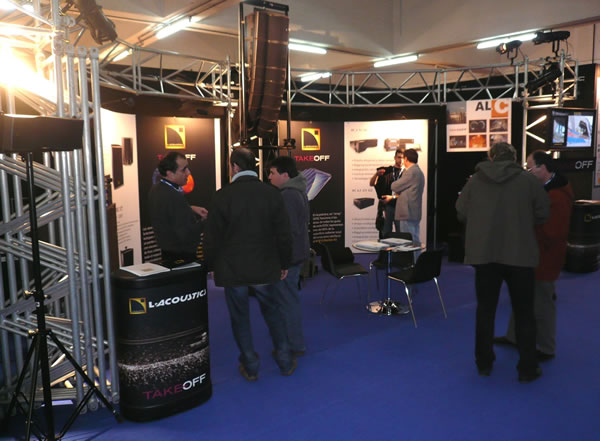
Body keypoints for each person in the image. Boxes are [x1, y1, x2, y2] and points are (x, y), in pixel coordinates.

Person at [456, 142, 550, 383]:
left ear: (491, 157)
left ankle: (484, 363)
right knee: (525, 313)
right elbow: (543, 213)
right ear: (514, 158)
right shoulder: (528, 181)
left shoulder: (475, 181)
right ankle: (527, 368)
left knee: (485, 311)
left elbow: (461, 211)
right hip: (520, 255)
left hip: (485, 256)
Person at [203, 147, 296, 381]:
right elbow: (284, 234)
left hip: (233, 270)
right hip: (265, 266)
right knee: (273, 313)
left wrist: (211, 266)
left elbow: (211, 237)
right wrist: (284, 263)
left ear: (234, 167)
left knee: (239, 317)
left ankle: (251, 364)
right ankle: (285, 359)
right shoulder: (272, 193)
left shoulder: (221, 196)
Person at [494, 150, 573, 361]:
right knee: (521, 297)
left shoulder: (556, 196)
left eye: (530, 168)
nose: (527, 172)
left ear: (543, 168)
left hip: (544, 260)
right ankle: (513, 336)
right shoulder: (547, 190)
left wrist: (526, 224)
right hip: (532, 256)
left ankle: (547, 348)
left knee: (543, 304)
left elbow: (553, 233)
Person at [268, 156, 310, 356]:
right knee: (287, 300)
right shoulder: (297, 191)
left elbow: (288, 231)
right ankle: (291, 342)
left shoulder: (288, 196)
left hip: (289, 258)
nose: (269, 177)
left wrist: (282, 262)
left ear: (285, 175)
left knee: (286, 301)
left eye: (272, 173)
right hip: (295, 255)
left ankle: (293, 345)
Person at [148, 152, 207, 261]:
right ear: (170, 173)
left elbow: (169, 213)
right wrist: (205, 222)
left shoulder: (157, 189)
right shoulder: (173, 196)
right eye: (184, 170)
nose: (188, 173)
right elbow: (187, 233)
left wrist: (190, 208)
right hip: (182, 257)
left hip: (169, 254)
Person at [384, 148, 424, 245]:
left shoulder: (411, 172)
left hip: (408, 213)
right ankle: (415, 255)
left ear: (406, 159)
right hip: (412, 212)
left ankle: (412, 256)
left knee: (408, 242)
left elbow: (394, 186)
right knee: (413, 240)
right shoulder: (418, 171)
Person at [370, 149, 404, 235]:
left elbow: (407, 193)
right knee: (385, 234)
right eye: (399, 157)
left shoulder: (406, 173)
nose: (401, 160)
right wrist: (376, 175)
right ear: (395, 158)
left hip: (400, 208)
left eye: (403, 158)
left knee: (401, 235)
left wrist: (392, 197)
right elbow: (372, 183)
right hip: (386, 207)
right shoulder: (386, 171)